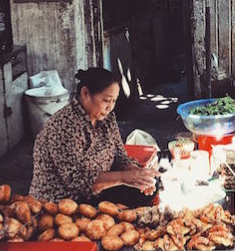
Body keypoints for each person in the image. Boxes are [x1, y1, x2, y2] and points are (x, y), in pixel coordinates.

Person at [29, 67, 160, 206]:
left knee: (148, 187)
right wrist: (123, 177)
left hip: (98, 190)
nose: (110, 107)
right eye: (106, 100)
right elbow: (77, 181)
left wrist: (136, 173)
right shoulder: (63, 126)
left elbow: (119, 155)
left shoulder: (106, 118)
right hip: (65, 200)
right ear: (85, 93)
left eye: (114, 101)